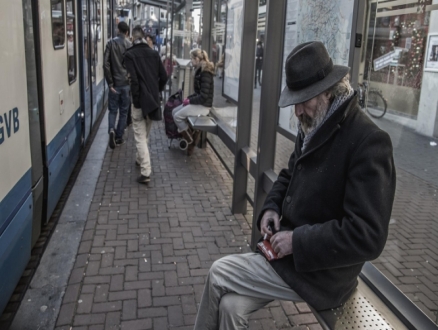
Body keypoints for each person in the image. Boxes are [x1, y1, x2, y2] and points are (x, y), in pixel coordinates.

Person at [193, 41, 396, 329]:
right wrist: (271, 208)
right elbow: (290, 173)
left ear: (328, 90)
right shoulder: (317, 121)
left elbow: (368, 235)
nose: (298, 111)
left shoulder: (368, 141)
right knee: (230, 306)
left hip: (321, 273)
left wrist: (296, 242)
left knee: (218, 272)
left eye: (304, 100)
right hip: (292, 255)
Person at [124, 26, 167, 184]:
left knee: (140, 137)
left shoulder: (130, 55)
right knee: (145, 134)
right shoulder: (154, 54)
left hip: (139, 102)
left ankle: (146, 171)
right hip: (152, 101)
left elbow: (133, 80)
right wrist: (157, 90)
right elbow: (164, 76)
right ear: (143, 37)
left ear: (132, 39)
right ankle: (139, 158)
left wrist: (136, 100)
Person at [172, 48, 214, 156]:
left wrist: (190, 100)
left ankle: (190, 140)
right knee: (174, 112)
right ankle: (192, 135)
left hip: (204, 106)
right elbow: (199, 93)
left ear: (197, 59)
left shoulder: (205, 72)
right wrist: (189, 99)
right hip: (199, 103)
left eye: (192, 59)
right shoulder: (200, 70)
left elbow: (204, 96)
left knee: (177, 116)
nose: (191, 61)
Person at [103, 21, 132, 149]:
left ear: (118, 30)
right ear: (126, 32)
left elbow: (106, 64)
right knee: (124, 111)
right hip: (126, 84)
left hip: (114, 84)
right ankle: (119, 138)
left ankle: (111, 130)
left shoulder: (111, 43)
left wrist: (110, 83)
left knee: (113, 110)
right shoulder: (129, 45)